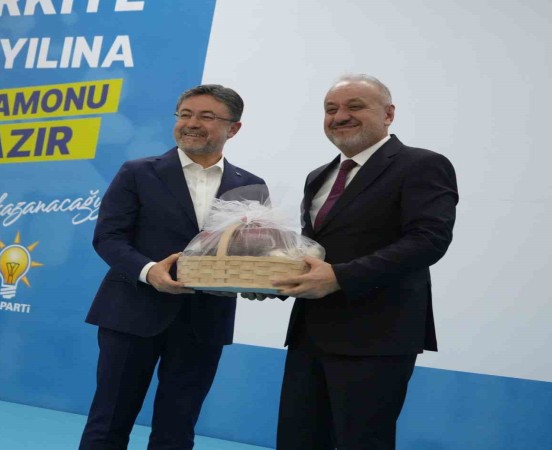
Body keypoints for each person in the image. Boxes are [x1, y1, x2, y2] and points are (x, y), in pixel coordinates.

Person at [272, 74, 458, 449]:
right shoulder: (318, 176)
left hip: (377, 337)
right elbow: (315, 251)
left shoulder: (422, 164)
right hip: (310, 334)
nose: (340, 116)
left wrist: (340, 277)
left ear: (388, 114)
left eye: (355, 106)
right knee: (297, 440)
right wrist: (272, 279)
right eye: (331, 109)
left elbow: (428, 241)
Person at [79, 84, 266, 450]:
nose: (191, 123)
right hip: (132, 313)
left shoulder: (251, 186)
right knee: (109, 421)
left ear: (234, 128)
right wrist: (150, 271)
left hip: (206, 320)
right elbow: (108, 237)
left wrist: (260, 278)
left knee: (178, 429)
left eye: (206, 116)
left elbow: (253, 251)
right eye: (185, 115)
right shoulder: (137, 172)